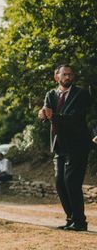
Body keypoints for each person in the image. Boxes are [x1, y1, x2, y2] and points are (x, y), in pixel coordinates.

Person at [38, 64, 92, 231]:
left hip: (77, 145)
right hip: (59, 145)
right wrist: (42, 115)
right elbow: (46, 114)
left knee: (71, 182)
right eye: (64, 74)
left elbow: (75, 118)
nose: (68, 77)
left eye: (70, 74)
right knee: (60, 183)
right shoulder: (51, 94)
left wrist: (53, 116)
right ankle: (70, 218)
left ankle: (80, 222)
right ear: (57, 77)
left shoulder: (80, 94)